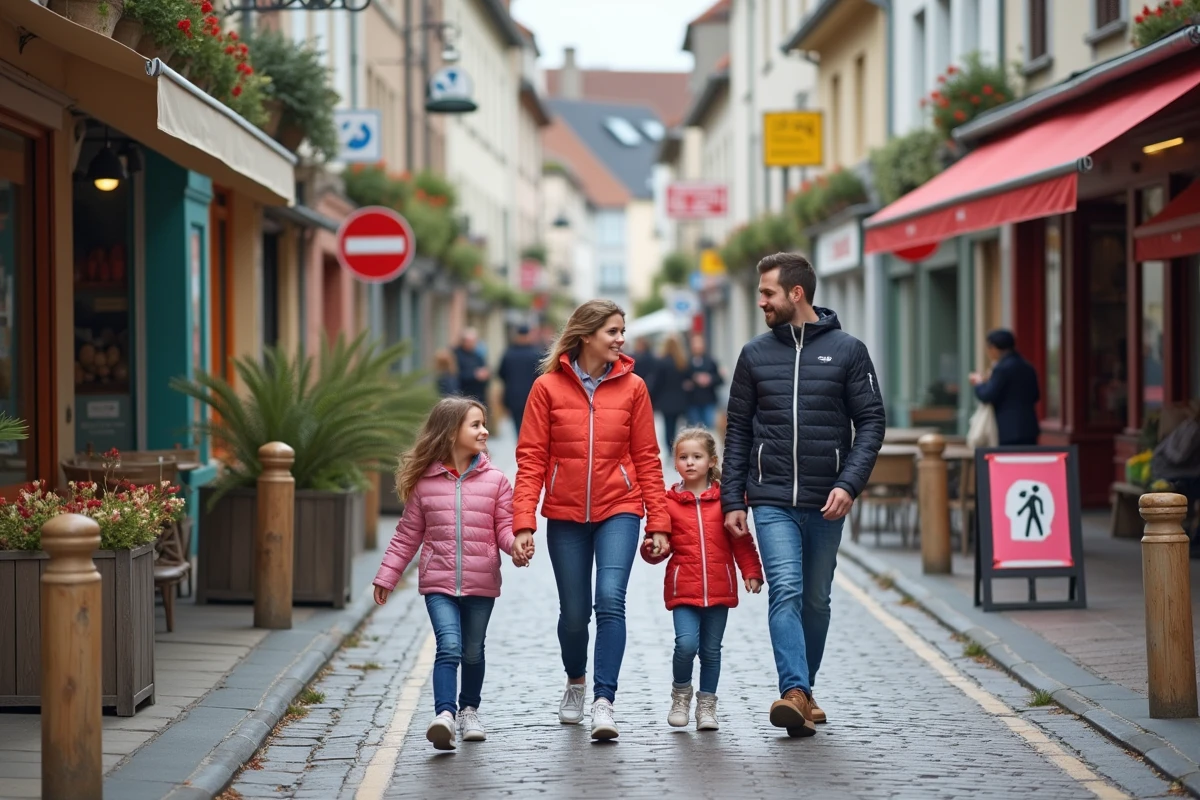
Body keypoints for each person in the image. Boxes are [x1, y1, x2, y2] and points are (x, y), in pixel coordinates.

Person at [721, 252, 885, 737]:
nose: (761, 302)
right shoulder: (754, 354)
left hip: (826, 500)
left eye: (768, 293)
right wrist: (734, 500)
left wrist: (848, 483)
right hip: (770, 498)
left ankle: (804, 692)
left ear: (797, 294)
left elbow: (872, 421)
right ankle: (793, 690)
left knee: (816, 600)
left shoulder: (848, 350)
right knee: (786, 591)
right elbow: (737, 435)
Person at [512, 299, 671, 741]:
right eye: (613, 332)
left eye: (622, 331)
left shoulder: (634, 387)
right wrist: (523, 522)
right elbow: (530, 460)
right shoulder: (546, 388)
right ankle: (576, 681)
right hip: (564, 514)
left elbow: (647, 458)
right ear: (586, 336)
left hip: (620, 507)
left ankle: (605, 701)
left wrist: (659, 521)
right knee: (574, 614)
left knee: (610, 599)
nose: (621, 339)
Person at [372, 397, 534, 751]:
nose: (485, 431)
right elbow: (406, 535)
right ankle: (444, 715)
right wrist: (387, 576)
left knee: (473, 652)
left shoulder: (495, 481)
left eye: (484, 424)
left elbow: (504, 528)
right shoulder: (426, 484)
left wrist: (516, 548)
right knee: (449, 646)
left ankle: (469, 710)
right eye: (475, 425)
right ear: (450, 433)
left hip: (481, 582)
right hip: (439, 583)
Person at [641, 427, 763, 732]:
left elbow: (742, 541)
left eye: (697, 456)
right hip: (683, 588)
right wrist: (653, 548)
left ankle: (707, 705)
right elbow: (656, 547)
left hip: (719, 589)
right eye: (683, 457)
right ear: (676, 462)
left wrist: (751, 571)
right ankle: (681, 694)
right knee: (685, 645)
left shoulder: (726, 501)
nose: (690, 462)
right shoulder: (667, 503)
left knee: (711, 650)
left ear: (711, 461)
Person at [969, 329, 1040, 446]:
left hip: (1007, 429)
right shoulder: (1028, 366)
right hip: (1029, 427)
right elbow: (1036, 395)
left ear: (994, 348)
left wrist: (979, 383)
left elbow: (987, 395)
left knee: (1008, 463)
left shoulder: (1001, 369)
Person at [497, 324, 543, 435]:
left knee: (519, 429)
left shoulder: (509, 353)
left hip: (513, 397)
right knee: (532, 429)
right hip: (533, 396)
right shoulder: (536, 354)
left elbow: (501, 374)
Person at [656, 336, 691, 451]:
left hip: (666, 400)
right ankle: (678, 446)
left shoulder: (662, 362)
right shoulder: (682, 362)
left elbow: (658, 382)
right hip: (680, 400)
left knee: (668, 427)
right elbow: (688, 380)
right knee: (678, 426)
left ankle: (670, 448)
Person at [685, 333, 724, 429]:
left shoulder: (711, 361)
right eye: (695, 344)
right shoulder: (686, 362)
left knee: (709, 428)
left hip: (708, 400)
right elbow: (682, 379)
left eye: (699, 344)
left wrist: (709, 379)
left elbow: (720, 379)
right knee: (694, 430)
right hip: (692, 401)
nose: (697, 347)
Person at [454, 328, 491, 406]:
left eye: (474, 341)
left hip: (479, 395)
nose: (472, 344)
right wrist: (474, 375)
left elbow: (485, 368)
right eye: (469, 341)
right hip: (463, 396)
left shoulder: (477, 355)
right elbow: (455, 375)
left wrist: (486, 374)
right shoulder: (455, 355)